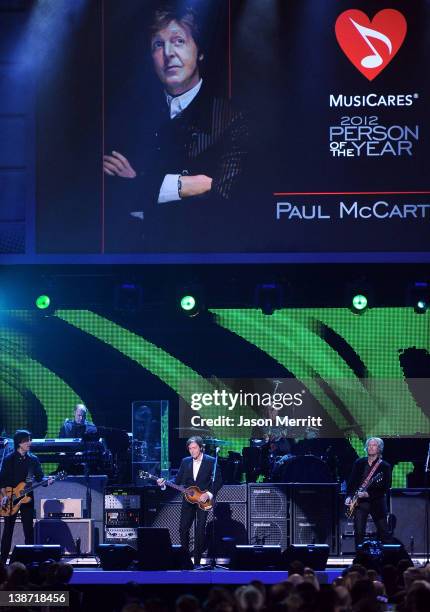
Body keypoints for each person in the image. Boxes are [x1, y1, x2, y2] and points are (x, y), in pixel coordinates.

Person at [103, 3, 248, 252]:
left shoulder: (230, 119)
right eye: (158, 45)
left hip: (205, 258)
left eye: (178, 40)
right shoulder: (128, 118)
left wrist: (138, 185)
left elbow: (226, 196)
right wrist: (190, 185)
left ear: (199, 51)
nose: (168, 52)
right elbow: (109, 199)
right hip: (136, 256)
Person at [157, 436, 222, 568]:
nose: (192, 451)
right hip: (188, 500)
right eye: (190, 448)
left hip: (204, 501)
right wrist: (164, 484)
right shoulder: (185, 461)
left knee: (200, 531)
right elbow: (177, 481)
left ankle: (197, 562)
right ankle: (185, 560)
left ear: (201, 447)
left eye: (194, 448)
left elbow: (218, 481)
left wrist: (207, 494)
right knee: (182, 529)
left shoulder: (211, 461)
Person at [0, 430, 53, 563]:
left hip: (27, 498)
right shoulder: (8, 459)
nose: (30, 442)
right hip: (10, 498)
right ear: (19, 443)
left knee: (29, 530)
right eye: (27, 440)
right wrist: (3, 496)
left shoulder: (33, 460)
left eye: (30, 439)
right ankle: (2, 562)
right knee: (8, 530)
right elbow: (2, 480)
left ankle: (29, 561)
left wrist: (48, 481)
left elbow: (40, 478)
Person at [345, 437, 392, 549]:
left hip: (377, 502)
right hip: (360, 502)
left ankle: (388, 559)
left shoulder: (384, 466)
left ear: (379, 448)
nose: (371, 447)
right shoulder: (359, 463)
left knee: (384, 532)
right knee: (359, 532)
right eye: (369, 445)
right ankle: (360, 559)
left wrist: (369, 494)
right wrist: (349, 496)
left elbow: (386, 486)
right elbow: (352, 482)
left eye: (374, 445)